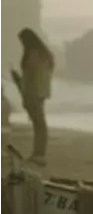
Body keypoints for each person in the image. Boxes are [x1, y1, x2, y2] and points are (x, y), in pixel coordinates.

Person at [14, 28, 54, 165]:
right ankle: (38, 153)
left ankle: (39, 154)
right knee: (39, 124)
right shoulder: (44, 55)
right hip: (40, 93)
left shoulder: (34, 55)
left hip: (33, 94)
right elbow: (38, 78)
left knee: (39, 124)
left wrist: (19, 83)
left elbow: (30, 78)